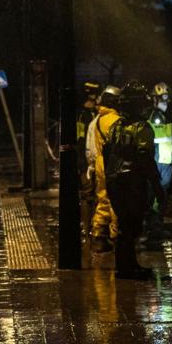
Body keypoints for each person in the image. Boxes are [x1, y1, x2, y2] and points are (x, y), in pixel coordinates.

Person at [102, 82, 167, 279]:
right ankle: (127, 268)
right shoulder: (142, 128)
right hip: (132, 183)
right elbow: (145, 159)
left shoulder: (114, 127)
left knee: (124, 225)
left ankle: (125, 266)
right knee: (132, 226)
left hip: (114, 182)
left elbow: (107, 154)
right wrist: (157, 186)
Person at [146, 82, 172, 239]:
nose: (165, 102)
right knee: (155, 194)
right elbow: (149, 140)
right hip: (156, 162)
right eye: (162, 99)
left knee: (161, 195)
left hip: (167, 161)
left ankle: (157, 224)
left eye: (166, 99)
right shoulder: (151, 116)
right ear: (154, 99)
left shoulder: (170, 116)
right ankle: (153, 226)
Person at [85, 85, 121, 253]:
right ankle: (116, 235)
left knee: (103, 199)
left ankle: (98, 235)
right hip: (114, 164)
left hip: (99, 163)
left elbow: (90, 147)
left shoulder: (96, 121)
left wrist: (91, 165)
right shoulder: (118, 120)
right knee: (117, 200)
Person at [76, 82, 102, 238]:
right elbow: (80, 140)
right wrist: (82, 164)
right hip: (86, 162)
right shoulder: (82, 115)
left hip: (95, 161)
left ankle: (93, 225)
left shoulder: (94, 113)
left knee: (97, 194)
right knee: (87, 194)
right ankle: (87, 227)